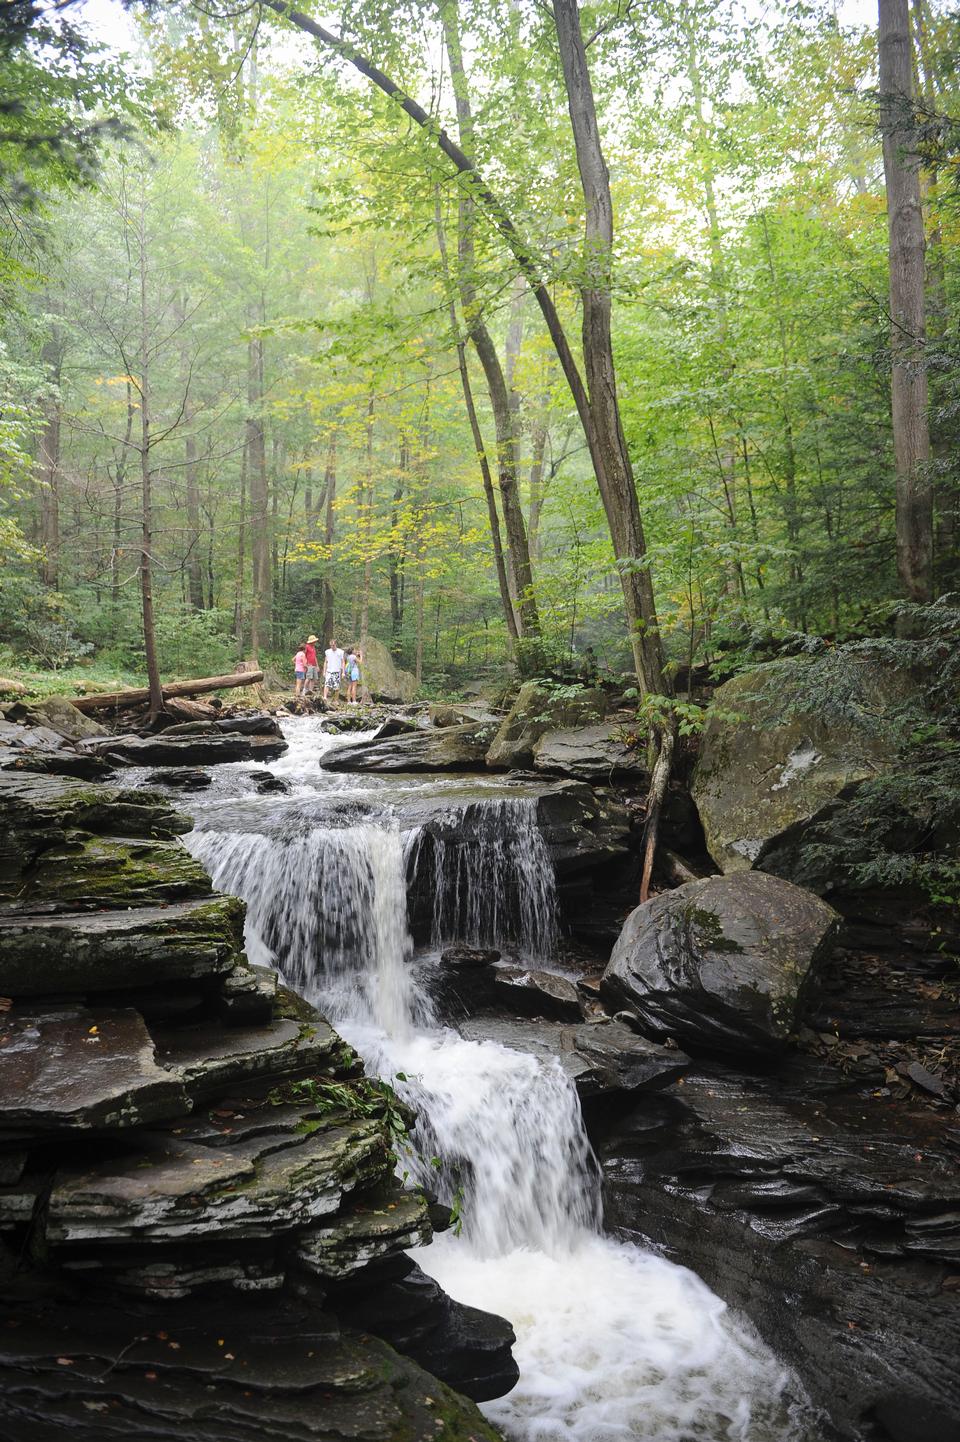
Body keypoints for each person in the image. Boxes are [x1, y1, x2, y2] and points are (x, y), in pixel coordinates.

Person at [323, 637, 345, 703]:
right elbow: (325, 662)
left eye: (333, 645)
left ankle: (336, 700)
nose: (332, 647)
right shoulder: (327, 651)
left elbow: (343, 662)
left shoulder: (340, 652)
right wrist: (324, 671)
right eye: (331, 645)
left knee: (337, 687)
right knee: (327, 684)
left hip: (337, 671)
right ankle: (325, 697)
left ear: (336, 644)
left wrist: (343, 672)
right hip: (329, 671)